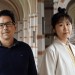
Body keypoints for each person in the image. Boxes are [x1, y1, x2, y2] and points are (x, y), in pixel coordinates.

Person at [0, 9, 37, 75]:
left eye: (8, 24)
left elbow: (33, 73)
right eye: (1, 25)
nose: (5, 28)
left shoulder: (25, 48)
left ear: (15, 27)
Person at [39, 7, 75, 75]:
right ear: (54, 29)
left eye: (68, 24)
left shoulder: (73, 48)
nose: (66, 28)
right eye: (61, 25)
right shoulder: (51, 51)